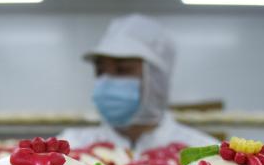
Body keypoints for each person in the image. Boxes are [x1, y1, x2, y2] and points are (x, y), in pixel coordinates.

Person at [58, 14, 215, 151]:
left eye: (122, 69)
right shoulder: (72, 148)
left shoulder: (201, 152)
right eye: (100, 71)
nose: (106, 81)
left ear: (155, 79)